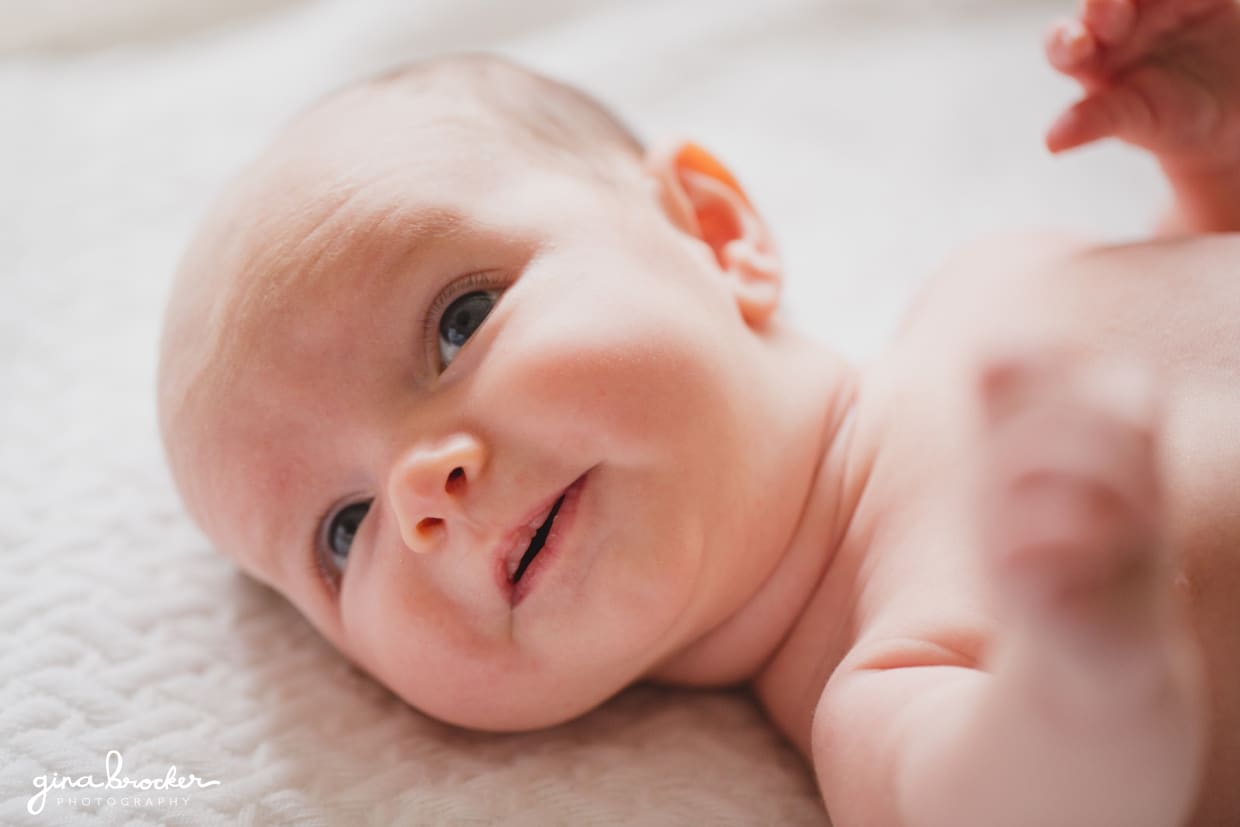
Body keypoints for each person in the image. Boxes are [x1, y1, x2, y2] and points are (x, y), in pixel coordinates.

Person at [156, 0, 1240, 823]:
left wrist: (1210, 149)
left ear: (717, 231)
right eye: (344, 532)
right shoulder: (882, 687)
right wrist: (1089, 652)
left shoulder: (993, 275)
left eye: (461, 318)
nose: (417, 490)